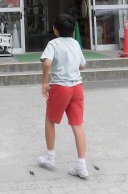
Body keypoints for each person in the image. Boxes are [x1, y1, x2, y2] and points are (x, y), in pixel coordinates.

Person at [38, 13, 88, 179]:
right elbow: (83, 65)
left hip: (61, 87)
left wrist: (44, 83)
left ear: (55, 29)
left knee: (50, 121)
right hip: (77, 88)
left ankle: (50, 157)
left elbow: (47, 62)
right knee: (77, 125)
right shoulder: (75, 43)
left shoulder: (53, 43)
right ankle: (81, 165)